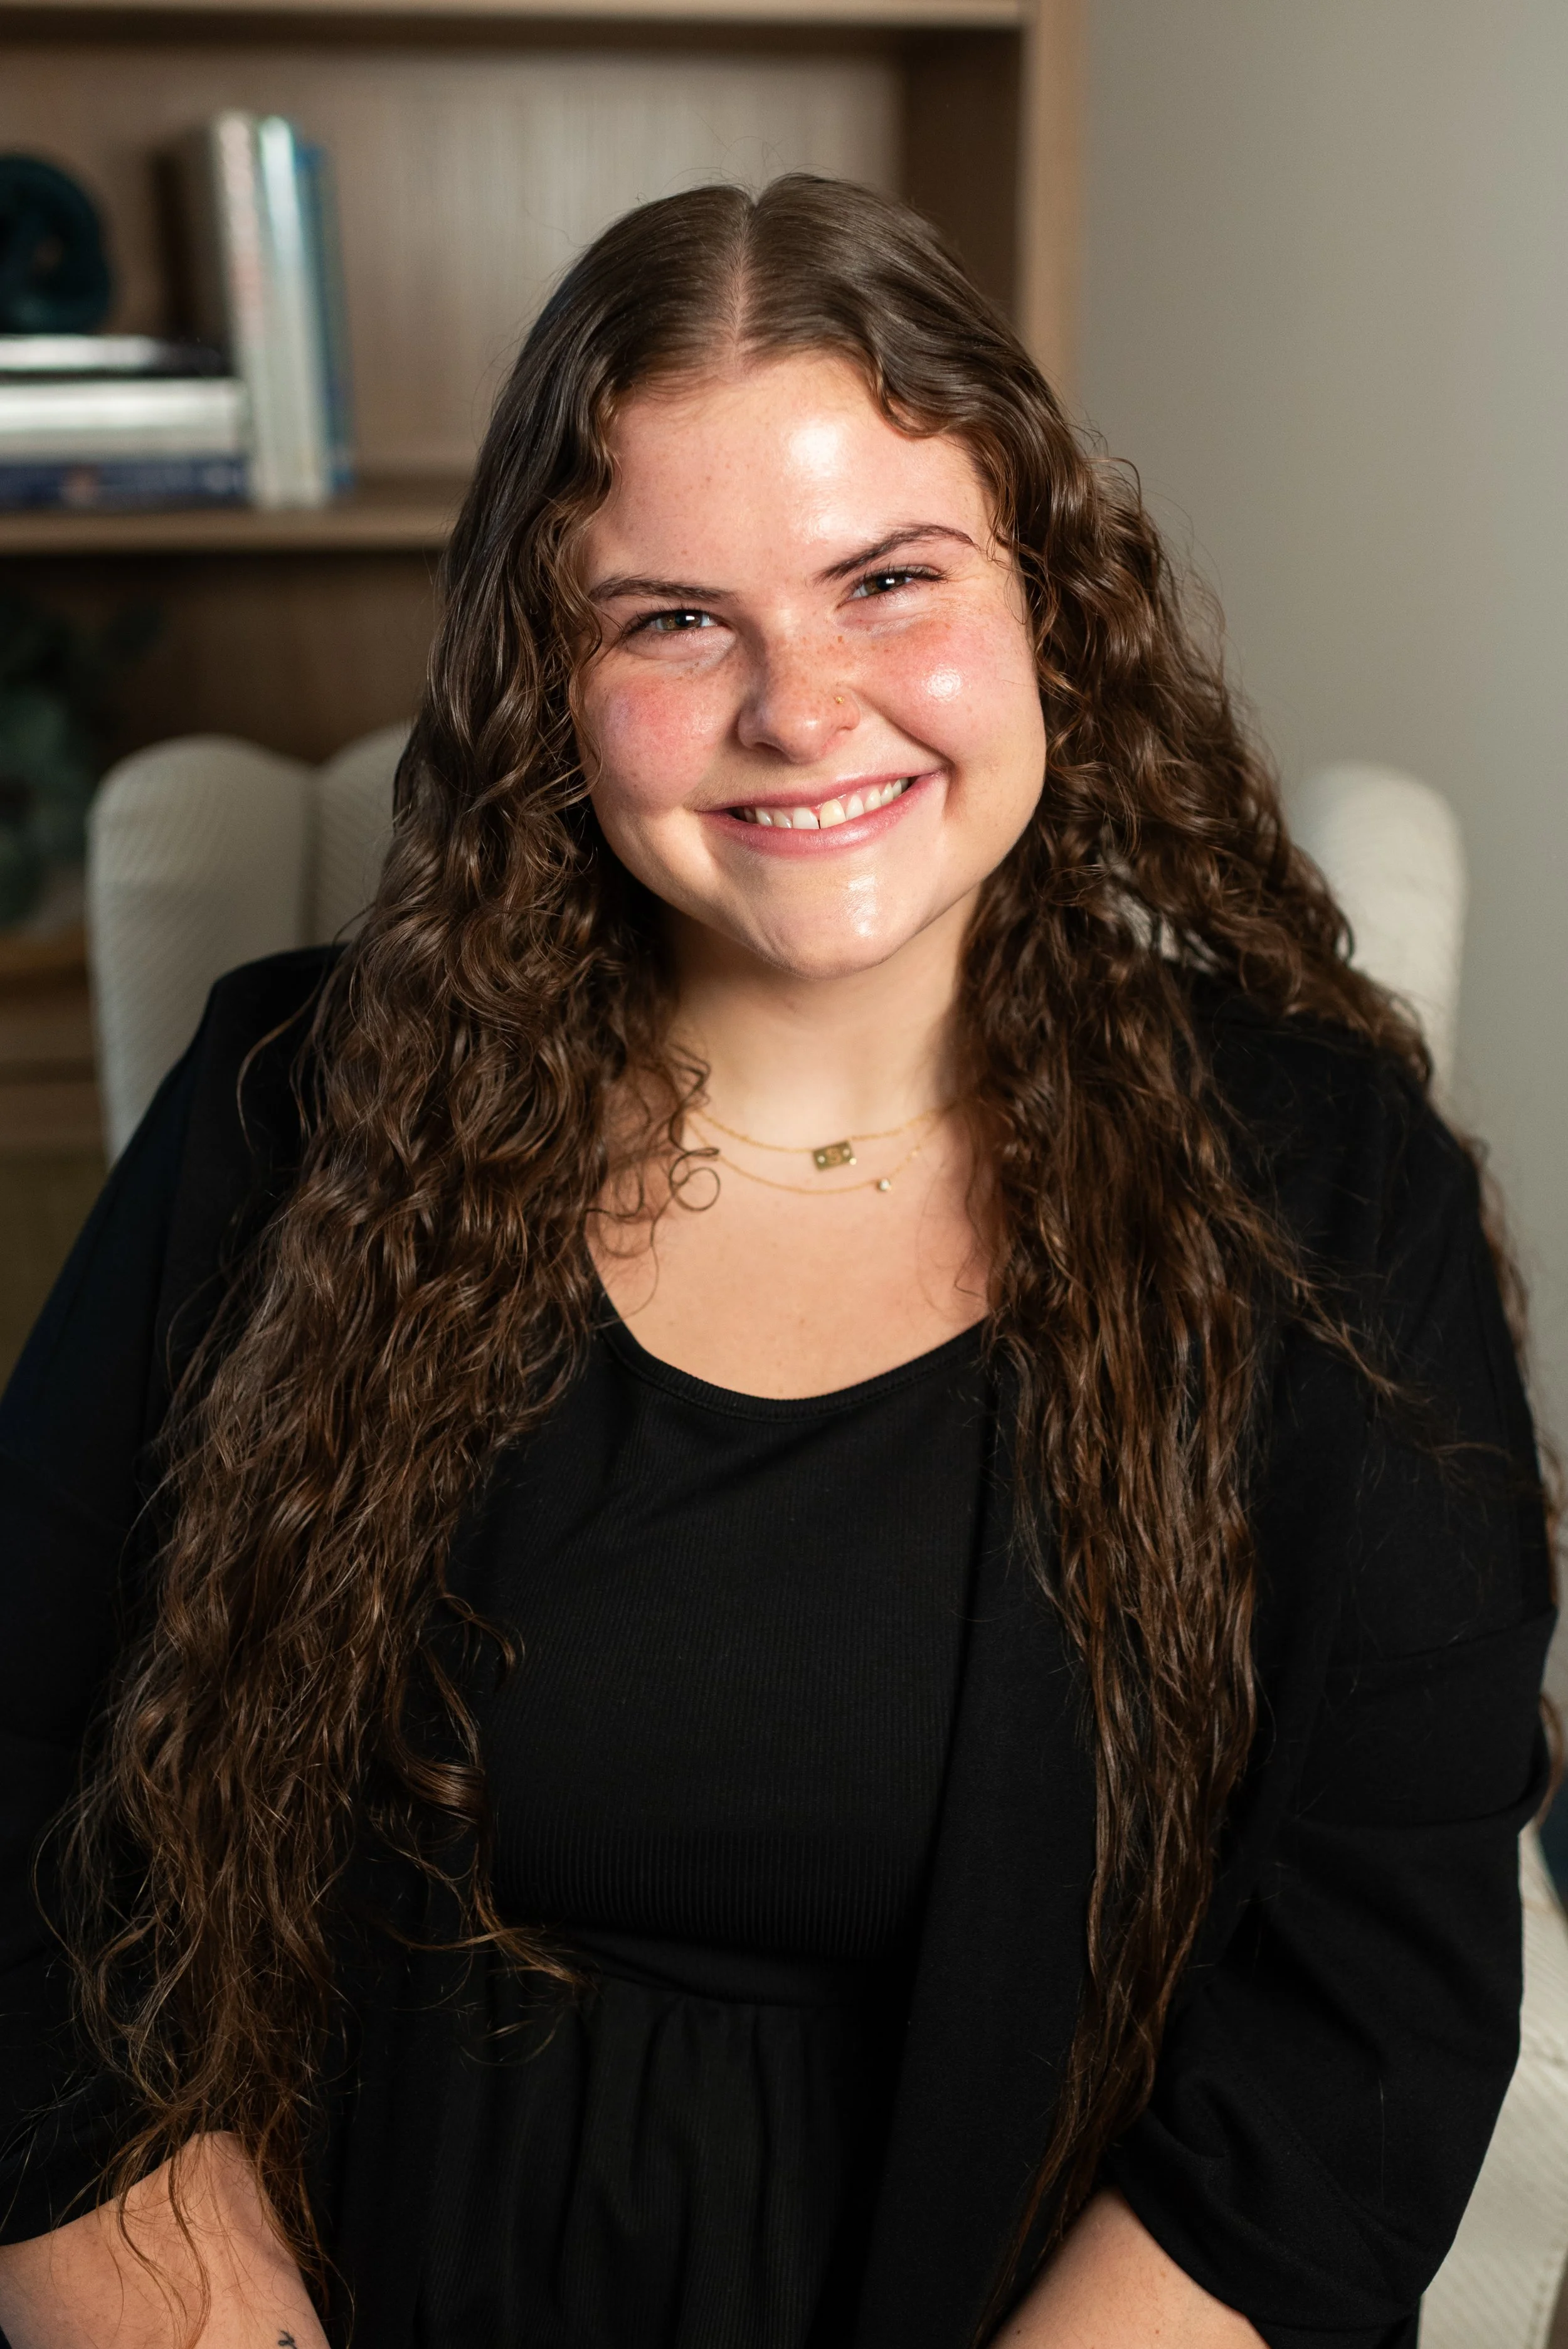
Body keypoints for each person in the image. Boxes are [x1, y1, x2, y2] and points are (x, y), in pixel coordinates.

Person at [0, 176, 1554, 2349]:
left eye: (889, 579)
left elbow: (1356, 2020)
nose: (802, 712)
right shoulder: (288, 1111)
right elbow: (20, 1825)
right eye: (672, 620)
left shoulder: (1317, 1185)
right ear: (547, 683)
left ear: (1048, 604)